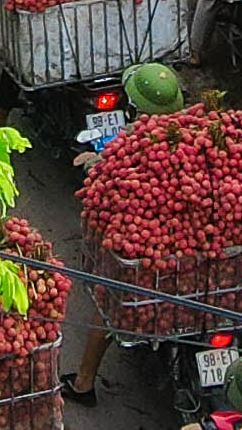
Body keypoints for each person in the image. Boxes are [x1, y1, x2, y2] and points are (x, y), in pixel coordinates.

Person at [61, 63, 191, 404]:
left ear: (135, 105)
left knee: (110, 300)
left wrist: (92, 163)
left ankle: (84, 381)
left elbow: (111, 177)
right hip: (194, 259)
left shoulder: (135, 143)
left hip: (153, 256)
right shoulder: (195, 136)